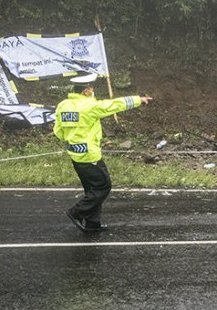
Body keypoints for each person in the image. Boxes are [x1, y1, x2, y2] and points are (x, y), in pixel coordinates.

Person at [53, 73, 152, 232]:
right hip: (90, 155)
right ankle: (77, 212)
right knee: (103, 186)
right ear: (85, 91)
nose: (92, 90)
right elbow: (113, 105)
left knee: (91, 189)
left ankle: (92, 222)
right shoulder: (89, 107)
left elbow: (58, 131)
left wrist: (72, 139)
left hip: (74, 153)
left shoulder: (63, 105)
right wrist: (138, 99)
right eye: (91, 88)